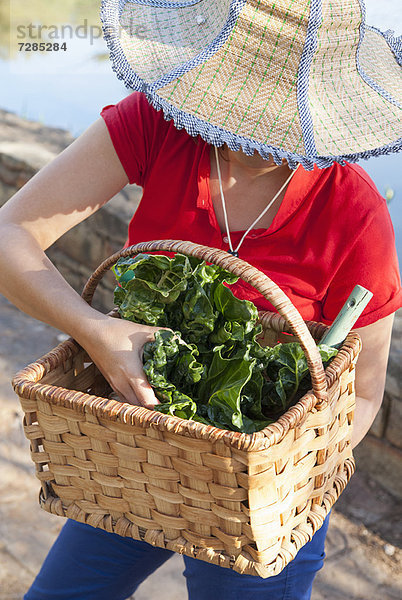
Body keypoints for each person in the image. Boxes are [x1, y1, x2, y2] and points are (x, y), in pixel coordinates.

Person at [0, 1, 401, 599]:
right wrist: (94, 330)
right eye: (239, 105)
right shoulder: (159, 124)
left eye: (280, 122)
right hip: (133, 454)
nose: (248, 134)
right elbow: (11, 235)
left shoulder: (353, 213)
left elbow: (364, 393)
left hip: (260, 512)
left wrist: (280, 466)